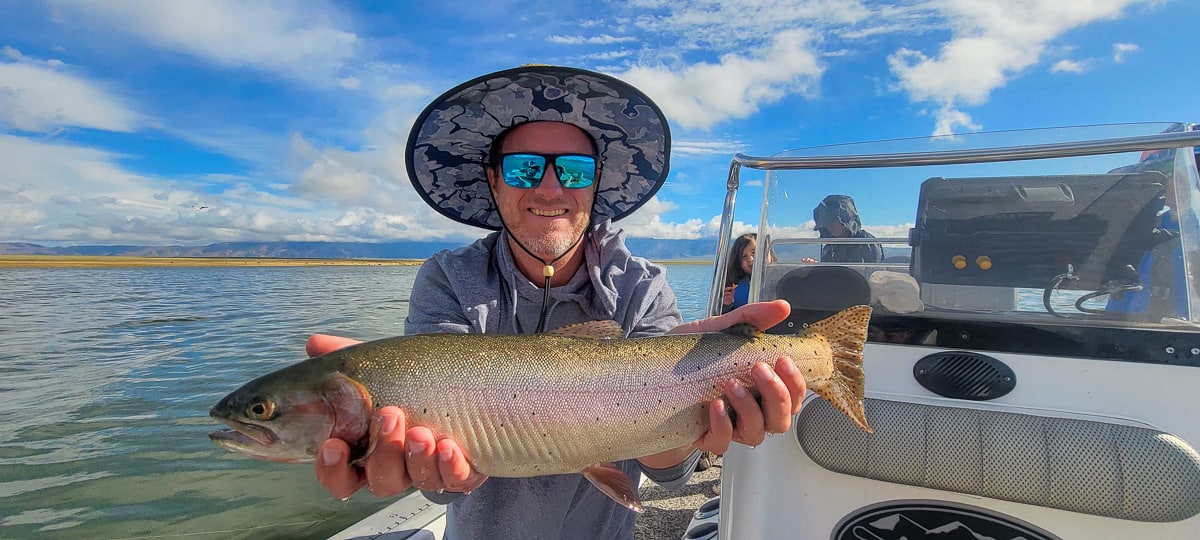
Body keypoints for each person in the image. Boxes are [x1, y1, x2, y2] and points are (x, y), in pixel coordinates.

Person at [304, 65, 807, 540]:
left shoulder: (643, 287)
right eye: (524, 169)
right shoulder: (448, 279)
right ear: (494, 180)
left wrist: (686, 389)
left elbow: (672, 471)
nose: (550, 186)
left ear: (595, 182)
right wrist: (420, 460)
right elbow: (441, 476)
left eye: (572, 169)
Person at [804, 194, 884, 263]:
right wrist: (816, 267)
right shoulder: (831, 246)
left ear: (845, 219)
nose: (829, 227)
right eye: (826, 223)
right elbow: (830, 272)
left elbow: (871, 274)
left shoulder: (866, 243)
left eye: (832, 222)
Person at [721, 233, 758, 313]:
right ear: (738, 261)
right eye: (744, 256)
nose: (750, 259)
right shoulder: (731, 285)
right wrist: (727, 304)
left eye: (754, 253)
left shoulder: (781, 281)